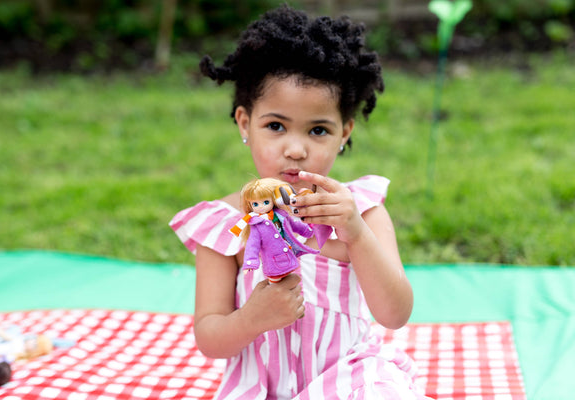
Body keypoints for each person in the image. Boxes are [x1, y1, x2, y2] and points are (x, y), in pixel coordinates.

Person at [170, 5, 429, 399]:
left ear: (344, 132)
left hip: (350, 380)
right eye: (276, 126)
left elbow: (395, 313)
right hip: (261, 388)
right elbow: (210, 337)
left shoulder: (362, 209)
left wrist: (357, 236)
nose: (295, 149)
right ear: (244, 123)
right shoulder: (223, 225)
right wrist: (251, 320)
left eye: (318, 130)